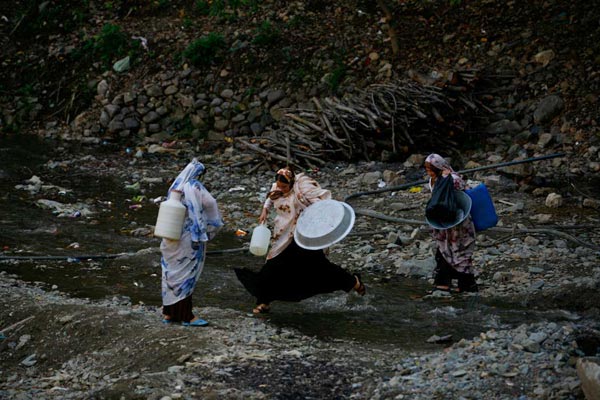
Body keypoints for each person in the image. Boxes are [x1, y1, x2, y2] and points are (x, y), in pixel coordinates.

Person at [234, 166, 365, 314]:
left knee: (320, 269)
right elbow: (270, 198)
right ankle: (264, 301)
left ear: (291, 183)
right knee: (273, 266)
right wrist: (265, 210)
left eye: (284, 186)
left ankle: (352, 281)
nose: (281, 189)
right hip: (283, 237)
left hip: (303, 237)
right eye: (279, 186)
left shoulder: (303, 191)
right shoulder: (277, 188)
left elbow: (321, 205)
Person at [160, 159, 224, 326]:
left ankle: (168, 313)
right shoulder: (194, 186)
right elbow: (210, 203)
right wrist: (212, 224)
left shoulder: (174, 188)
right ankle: (186, 316)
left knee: (171, 273)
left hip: (170, 237)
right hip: (188, 238)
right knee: (186, 275)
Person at [424, 154, 478, 293]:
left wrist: (445, 178)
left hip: (459, 223)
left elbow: (464, 194)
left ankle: (466, 284)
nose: (428, 172)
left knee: (461, 251)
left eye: (430, 169)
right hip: (444, 224)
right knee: (443, 250)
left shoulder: (454, 179)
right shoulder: (433, 180)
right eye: (427, 169)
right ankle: (443, 283)